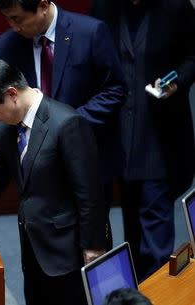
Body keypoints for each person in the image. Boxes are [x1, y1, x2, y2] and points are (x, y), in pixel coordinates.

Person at [0, 59, 106, 305]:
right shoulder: (6, 128)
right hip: (33, 248)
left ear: (11, 94)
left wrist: (93, 247)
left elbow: (90, 193)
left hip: (70, 251)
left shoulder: (67, 123)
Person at [0, 0, 124, 185]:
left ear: (43, 5)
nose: (13, 26)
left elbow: (114, 90)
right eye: (8, 18)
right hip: (35, 162)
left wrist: (67, 126)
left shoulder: (90, 32)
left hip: (85, 155)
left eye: (17, 18)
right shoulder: (7, 45)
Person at [91, 0, 195, 281]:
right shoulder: (103, 7)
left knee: (156, 233)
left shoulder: (176, 7)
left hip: (159, 135)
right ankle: (136, 294)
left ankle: (159, 294)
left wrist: (178, 82)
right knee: (131, 229)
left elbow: (192, 56)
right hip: (119, 137)